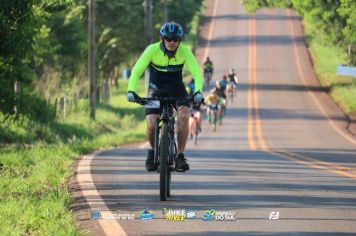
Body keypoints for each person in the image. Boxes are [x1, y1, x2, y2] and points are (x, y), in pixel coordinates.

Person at [126, 21, 204, 172]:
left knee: (184, 115)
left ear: (179, 40)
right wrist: (131, 90)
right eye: (168, 39)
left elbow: (196, 72)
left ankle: (180, 155)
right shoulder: (152, 50)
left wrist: (198, 91)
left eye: (175, 39)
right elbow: (136, 71)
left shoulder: (184, 51)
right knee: (152, 123)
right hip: (155, 91)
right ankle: (152, 151)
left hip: (177, 90)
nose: (172, 42)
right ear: (162, 39)